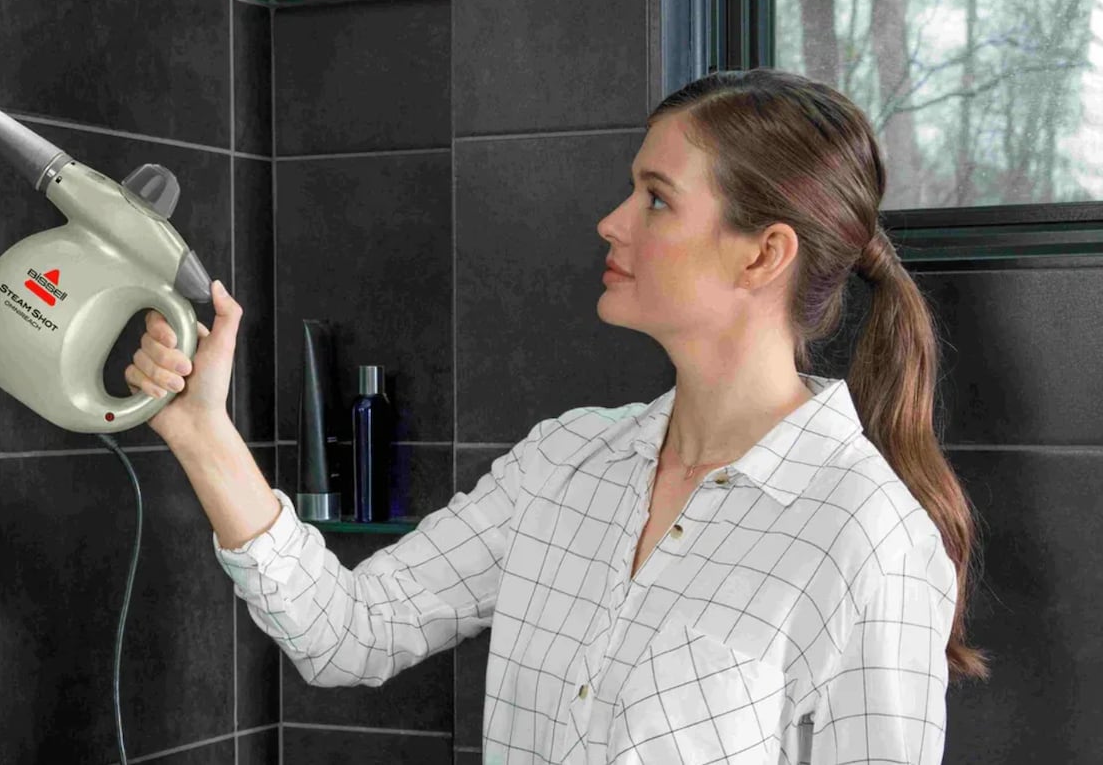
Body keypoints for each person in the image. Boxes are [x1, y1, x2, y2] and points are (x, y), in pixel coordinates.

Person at [125, 68, 990, 765]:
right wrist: (203, 430)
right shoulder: (565, 463)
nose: (610, 221)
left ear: (765, 252)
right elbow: (348, 632)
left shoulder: (866, 537)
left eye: (656, 198)